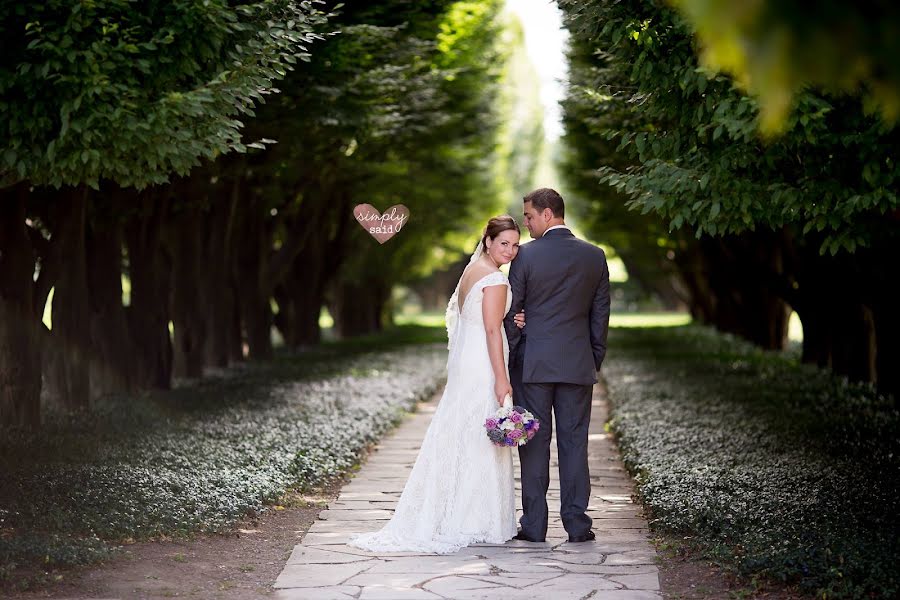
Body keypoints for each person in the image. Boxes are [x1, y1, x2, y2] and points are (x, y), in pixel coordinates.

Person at [349, 215, 521, 554]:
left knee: (463, 432)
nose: (511, 250)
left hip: (465, 362)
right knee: (481, 437)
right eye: (504, 243)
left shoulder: (472, 272)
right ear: (487, 241)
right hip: (483, 363)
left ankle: (454, 512)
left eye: (516, 245)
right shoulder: (495, 280)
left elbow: (479, 319)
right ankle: (476, 519)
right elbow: (490, 330)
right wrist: (502, 379)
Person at [504, 188, 611, 544]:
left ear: (548, 214)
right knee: (574, 444)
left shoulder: (526, 257)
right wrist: (592, 358)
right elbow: (600, 318)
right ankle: (578, 526)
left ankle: (534, 526)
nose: (527, 223)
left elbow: (511, 313)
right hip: (577, 365)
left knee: (533, 446)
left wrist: (515, 357)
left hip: (533, 367)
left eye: (530, 216)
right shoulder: (595, 257)